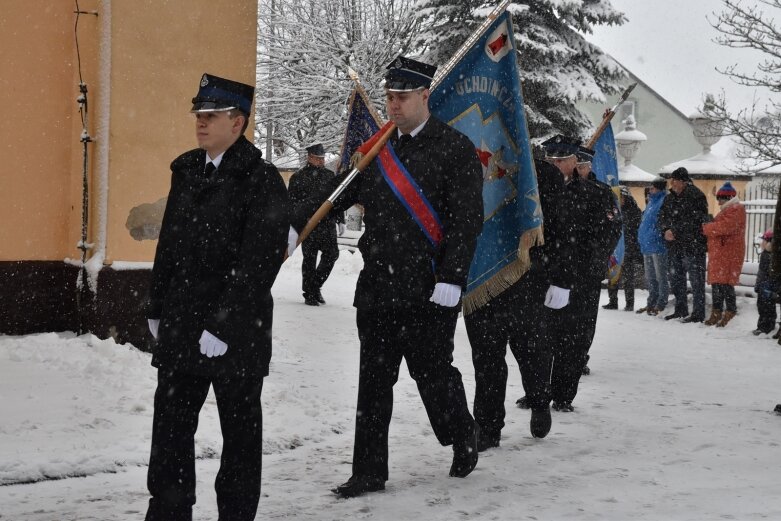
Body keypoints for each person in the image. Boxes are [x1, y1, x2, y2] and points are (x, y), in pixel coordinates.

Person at [290, 55, 483, 498]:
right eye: (389, 98)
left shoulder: (455, 149)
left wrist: (453, 276)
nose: (393, 106)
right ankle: (369, 471)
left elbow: (467, 220)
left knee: (433, 374)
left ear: (424, 96)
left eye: (402, 97)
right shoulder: (379, 150)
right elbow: (335, 195)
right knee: (373, 383)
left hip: (430, 288)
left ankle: (461, 431)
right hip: (378, 288)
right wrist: (294, 224)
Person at [144, 73, 289, 521]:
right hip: (183, 322)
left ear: (238, 122)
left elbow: (259, 261)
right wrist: (156, 305)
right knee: (170, 429)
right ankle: (168, 511)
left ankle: (237, 514)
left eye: (211, 115)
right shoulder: (186, 170)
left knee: (240, 435)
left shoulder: (262, 180)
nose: (201, 123)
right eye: (199, 115)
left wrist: (223, 322)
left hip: (237, 332)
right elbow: (169, 243)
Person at [466, 157, 573, 449]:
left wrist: (561, 278)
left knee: (532, 351)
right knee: (486, 357)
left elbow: (560, 228)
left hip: (528, 274)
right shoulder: (471, 157)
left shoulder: (541, 171)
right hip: (481, 277)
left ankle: (540, 400)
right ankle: (488, 426)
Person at [544, 138, 621, 412]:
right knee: (540, 338)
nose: (555, 165)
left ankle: (563, 394)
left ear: (574, 162)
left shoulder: (595, 194)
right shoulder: (539, 192)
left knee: (573, 338)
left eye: (561, 160)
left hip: (581, 278)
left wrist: (585, 265)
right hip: (545, 276)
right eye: (550, 160)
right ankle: (538, 392)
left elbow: (609, 233)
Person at [288, 143, 344, 306]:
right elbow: (291, 203)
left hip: (327, 223)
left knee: (332, 255)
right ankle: (309, 293)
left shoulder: (329, 176)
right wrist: (295, 222)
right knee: (310, 259)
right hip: (308, 224)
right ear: (310, 157)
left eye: (322, 158)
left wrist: (341, 219)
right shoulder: (298, 177)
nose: (321, 161)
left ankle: (315, 286)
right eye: (318, 158)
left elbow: (337, 199)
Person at [657, 166, 709, 323]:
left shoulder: (696, 196)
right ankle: (680, 309)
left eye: (675, 181)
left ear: (683, 182)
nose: (672, 183)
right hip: (675, 246)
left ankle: (698, 313)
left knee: (696, 281)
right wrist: (665, 229)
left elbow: (696, 221)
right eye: (671, 180)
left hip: (693, 246)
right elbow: (662, 216)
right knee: (676, 279)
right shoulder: (669, 198)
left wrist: (675, 231)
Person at [702, 182, 746, 327]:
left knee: (726, 284)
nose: (718, 202)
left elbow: (724, 227)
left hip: (728, 254)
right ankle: (717, 311)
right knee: (717, 284)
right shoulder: (728, 210)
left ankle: (730, 311)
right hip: (721, 254)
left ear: (727, 198)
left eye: (720, 198)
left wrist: (707, 227)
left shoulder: (736, 209)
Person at [604, 186, 642, 311]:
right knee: (613, 274)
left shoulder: (634, 211)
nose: (619, 200)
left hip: (628, 247)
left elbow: (635, 230)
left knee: (628, 277)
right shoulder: (615, 211)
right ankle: (613, 301)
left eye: (621, 197)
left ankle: (629, 303)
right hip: (615, 248)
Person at [636, 177, 669, 316]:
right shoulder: (651, 202)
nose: (650, 190)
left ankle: (661, 303)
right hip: (647, 245)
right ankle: (651, 302)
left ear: (660, 189)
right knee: (651, 277)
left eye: (653, 188)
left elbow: (660, 222)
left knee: (660, 277)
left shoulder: (663, 201)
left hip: (657, 245)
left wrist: (655, 236)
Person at [753, 229, 776, 335]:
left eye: (764, 241)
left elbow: (768, 273)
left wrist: (764, 286)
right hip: (763, 286)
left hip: (767, 287)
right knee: (762, 307)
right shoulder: (766, 254)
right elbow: (761, 273)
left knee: (767, 307)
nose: (762, 243)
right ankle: (763, 326)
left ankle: (766, 327)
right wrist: (758, 285)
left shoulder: (771, 256)